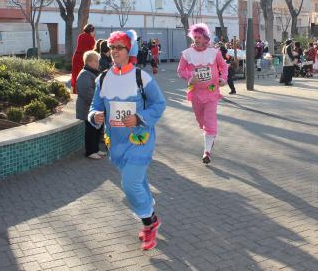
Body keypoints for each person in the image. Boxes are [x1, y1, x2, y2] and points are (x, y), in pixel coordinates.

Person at [88, 30, 166, 250]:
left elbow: (159, 104)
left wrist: (140, 118)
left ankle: (150, 222)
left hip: (140, 139)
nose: (114, 52)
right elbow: (95, 107)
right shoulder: (102, 78)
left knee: (130, 183)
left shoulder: (142, 77)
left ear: (128, 50)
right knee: (138, 181)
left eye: (119, 48)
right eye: (112, 48)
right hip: (117, 141)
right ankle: (148, 209)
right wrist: (95, 116)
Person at [177, 23, 229, 164]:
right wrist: (189, 76)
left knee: (209, 120)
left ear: (206, 39)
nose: (197, 39)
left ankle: (207, 152)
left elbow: (223, 66)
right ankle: (209, 137)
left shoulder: (214, 52)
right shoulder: (187, 54)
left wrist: (223, 78)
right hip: (195, 93)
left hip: (211, 92)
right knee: (201, 121)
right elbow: (180, 70)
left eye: (199, 37)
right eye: (195, 37)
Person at [76, 50, 106, 159]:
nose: (98, 63)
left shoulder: (92, 73)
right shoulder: (85, 74)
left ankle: (96, 149)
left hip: (95, 108)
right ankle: (90, 151)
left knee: (97, 129)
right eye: (96, 61)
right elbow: (87, 93)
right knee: (91, 130)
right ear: (89, 62)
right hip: (88, 109)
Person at [71, 24, 96, 94]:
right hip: (84, 58)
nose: (94, 33)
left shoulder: (80, 36)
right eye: (93, 31)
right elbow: (93, 50)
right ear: (91, 31)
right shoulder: (91, 38)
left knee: (75, 74)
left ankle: (74, 90)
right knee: (83, 75)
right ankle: (81, 91)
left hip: (76, 56)